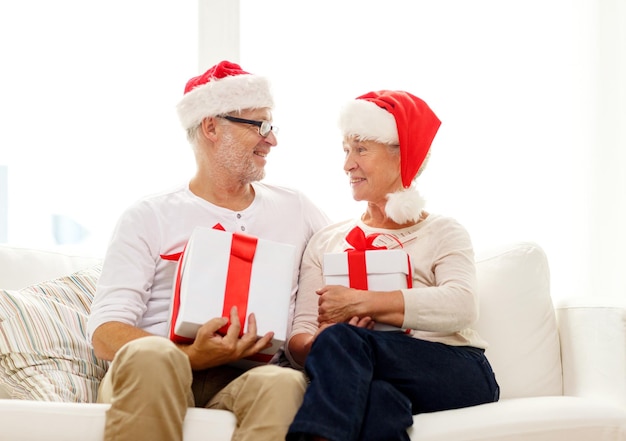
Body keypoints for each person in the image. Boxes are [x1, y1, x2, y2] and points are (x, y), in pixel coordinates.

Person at [86, 60, 331, 441]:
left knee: (283, 385)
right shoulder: (149, 215)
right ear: (211, 126)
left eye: (273, 127)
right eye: (260, 126)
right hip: (156, 370)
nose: (272, 140)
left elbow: (337, 262)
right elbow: (105, 334)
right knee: (154, 357)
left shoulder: (296, 209)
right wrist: (189, 355)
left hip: (243, 379)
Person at [284, 90, 500, 441]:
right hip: (367, 371)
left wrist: (363, 303)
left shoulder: (443, 230)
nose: (347, 164)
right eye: (345, 150)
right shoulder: (327, 240)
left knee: (345, 341)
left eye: (361, 149)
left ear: (403, 157)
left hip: (455, 369)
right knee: (379, 400)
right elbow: (300, 335)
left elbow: (462, 305)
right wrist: (317, 344)